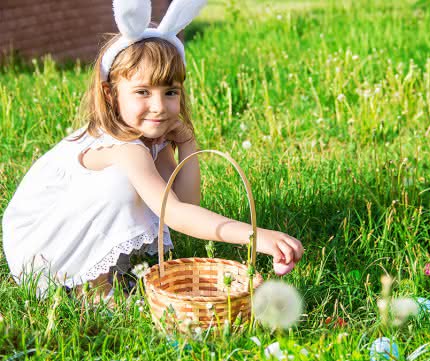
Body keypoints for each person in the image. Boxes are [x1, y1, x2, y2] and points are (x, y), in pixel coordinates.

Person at [1, 0, 303, 303]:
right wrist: (256, 236)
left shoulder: (148, 140)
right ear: (110, 93)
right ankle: (90, 289)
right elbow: (175, 214)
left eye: (170, 92)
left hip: (56, 236)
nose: (159, 107)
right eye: (143, 92)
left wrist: (187, 144)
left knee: (145, 188)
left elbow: (186, 201)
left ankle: (107, 275)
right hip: (39, 252)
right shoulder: (124, 148)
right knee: (123, 184)